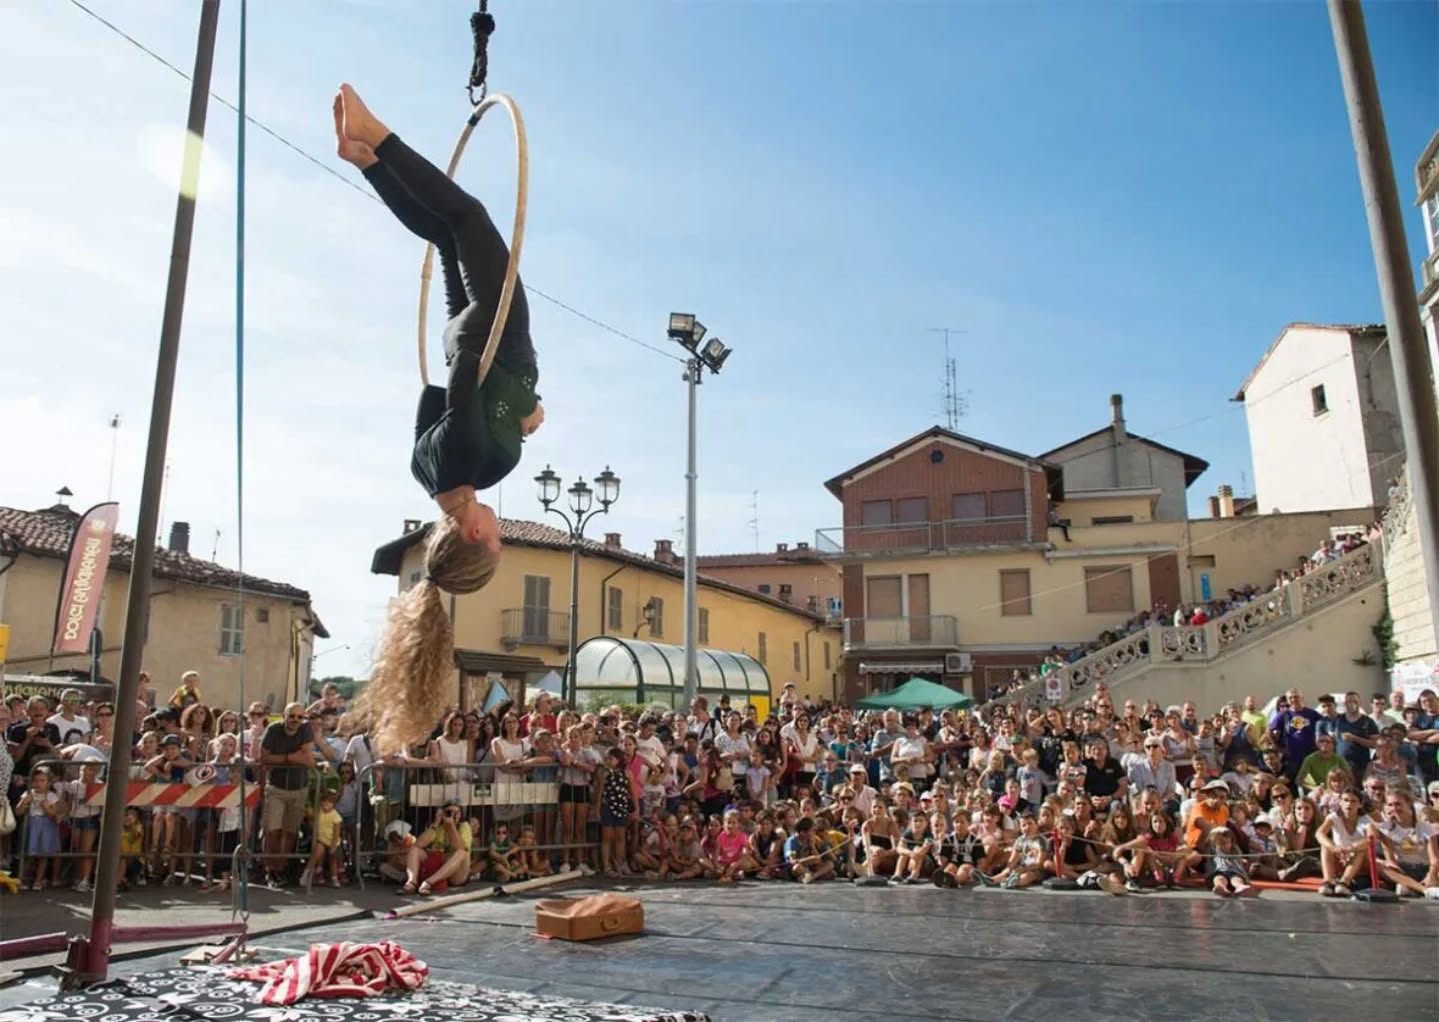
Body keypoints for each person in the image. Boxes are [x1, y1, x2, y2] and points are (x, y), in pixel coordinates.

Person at [334, 83, 543, 752]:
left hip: (491, 336)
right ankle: (365, 159)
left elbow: (459, 389)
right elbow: (430, 397)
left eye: (496, 543)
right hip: (463, 334)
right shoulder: (427, 472)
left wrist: (524, 403)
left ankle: (379, 134)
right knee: (448, 230)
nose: (504, 536)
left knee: (470, 215)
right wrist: (508, 405)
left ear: (477, 533)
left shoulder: (476, 464)